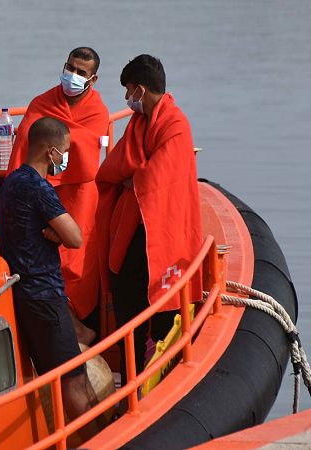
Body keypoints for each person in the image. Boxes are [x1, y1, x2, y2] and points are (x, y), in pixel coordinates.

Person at [96, 55, 202, 380]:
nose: (128, 99)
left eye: (129, 91)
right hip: (132, 227)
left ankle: (157, 378)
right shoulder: (138, 124)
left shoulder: (176, 124)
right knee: (128, 304)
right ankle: (131, 377)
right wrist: (136, 174)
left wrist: (134, 177)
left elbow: (159, 177)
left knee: (162, 309)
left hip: (162, 232)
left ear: (140, 90)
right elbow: (115, 168)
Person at [0, 117, 104, 438]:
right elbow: (75, 237)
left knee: (64, 375)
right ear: (50, 151)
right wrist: (59, 234)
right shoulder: (39, 188)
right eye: (64, 151)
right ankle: (100, 441)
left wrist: (53, 233)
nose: (64, 158)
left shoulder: (12, 182)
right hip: (44, 293)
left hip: (23, 292)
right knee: (74, 380)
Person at [7, 47, 109, 338]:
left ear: (93, 79)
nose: (72, 75)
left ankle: (77, 328)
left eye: (81, 72)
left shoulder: (97, 110)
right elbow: (26, 144)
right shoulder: (42, 102)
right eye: (70, 68)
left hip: (77, 195)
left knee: (74, 261)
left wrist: (57, 138)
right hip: (37, 189)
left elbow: (87, 156)